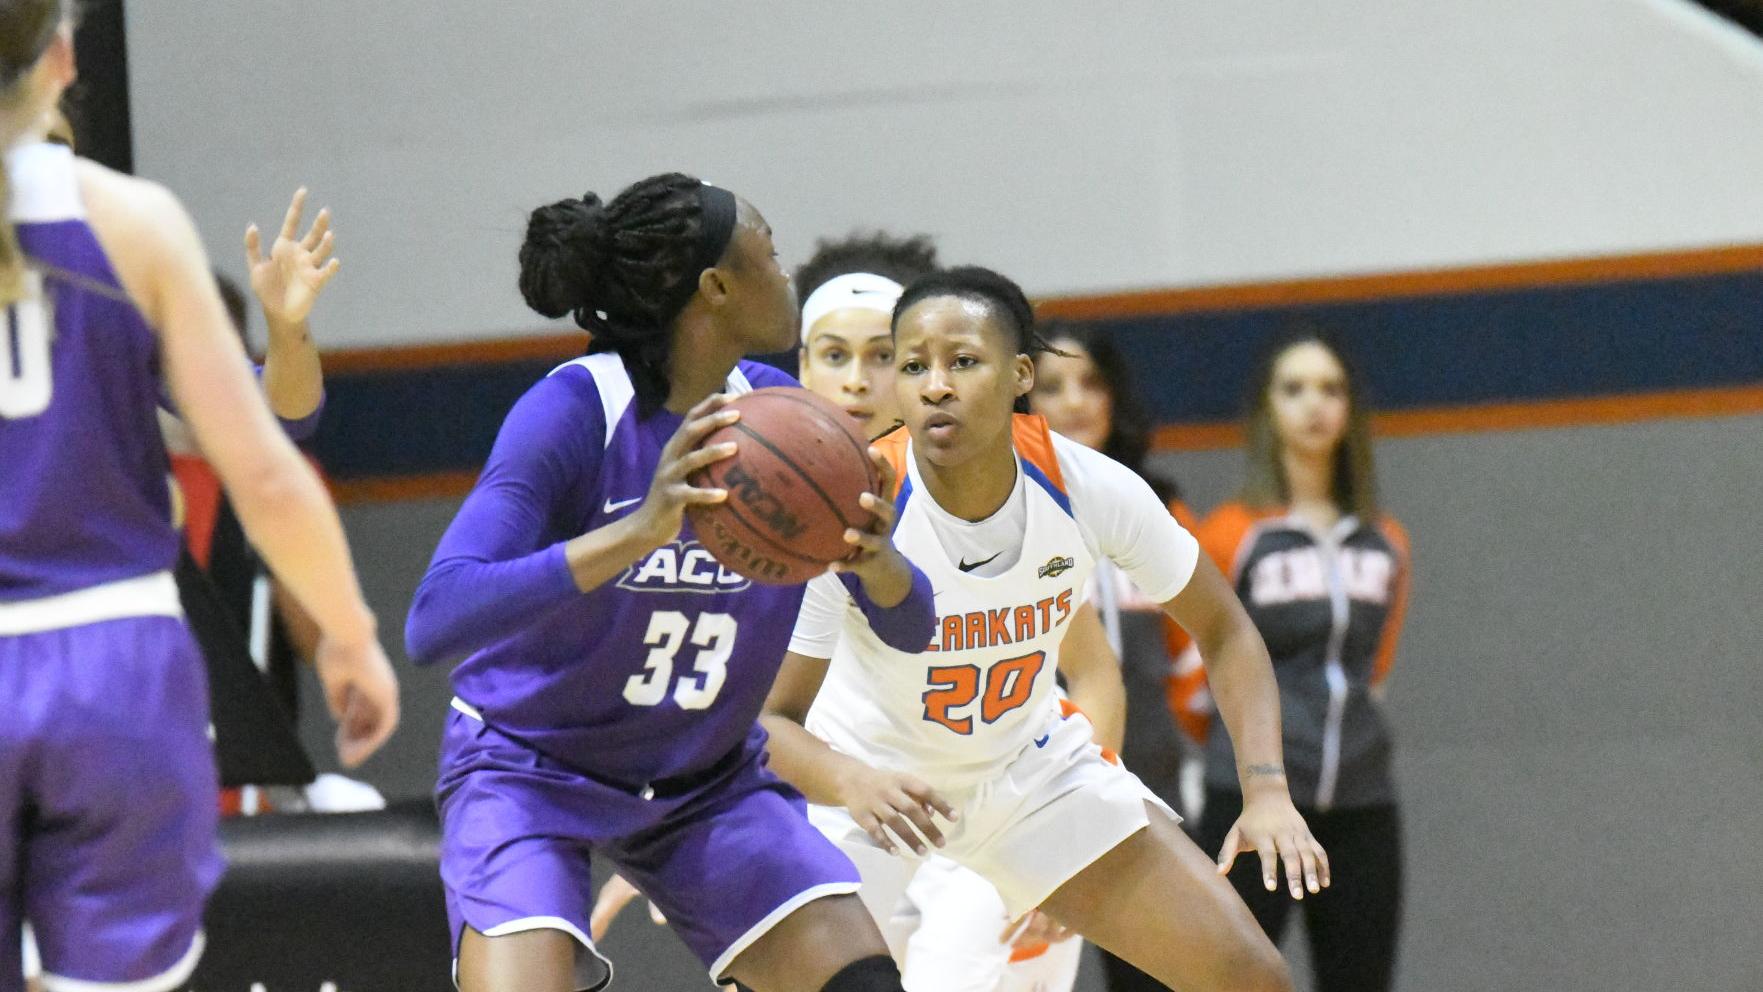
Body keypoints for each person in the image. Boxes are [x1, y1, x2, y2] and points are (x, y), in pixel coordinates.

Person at [405, 173, 939, 992]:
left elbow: (911, 626)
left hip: (704, 778)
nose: (788, 275)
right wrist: (635, 532)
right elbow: (434, 620)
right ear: (716, 288)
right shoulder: (577, 412)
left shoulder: (788, 428)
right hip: (528, 766)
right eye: (771, 254)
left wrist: (878, 565)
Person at [763, 266, 1326, 992]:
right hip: (871, 788)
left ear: (1020, 372)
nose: (934, 385)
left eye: (962, 361)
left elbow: (1225, 631)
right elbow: (770, 724)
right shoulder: (853, 508)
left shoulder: (1088, 487)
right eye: (912, 366)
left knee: (1251, 978)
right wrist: (851, 781)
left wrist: (1267, 790)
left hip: (1024, 776)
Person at [0, 6, 399, 990]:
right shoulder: (129, 222)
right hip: (111, 663)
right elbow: (268, 469)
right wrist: (347, 633)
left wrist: (284, 331)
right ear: (61, 57)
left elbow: (280, 418)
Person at [1172, 332, 1410, 992]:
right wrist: (1242, 763)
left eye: (1331, 389)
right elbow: (1195, 675)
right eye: (1294, 388)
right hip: (1252, 802)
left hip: (1362, 802)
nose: (1315, 405)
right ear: (1266, 410)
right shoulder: (1230, 532)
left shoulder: (1384, 540)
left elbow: (1375, 669)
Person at [1028, 322, 1198, 992]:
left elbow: (1194, 660)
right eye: (1052, 386)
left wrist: (1184, 755)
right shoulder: (1002, 514)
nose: (1074, 400)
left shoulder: (1157, 508)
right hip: (1038, 794)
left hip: (1151, 783)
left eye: (1090, 382)